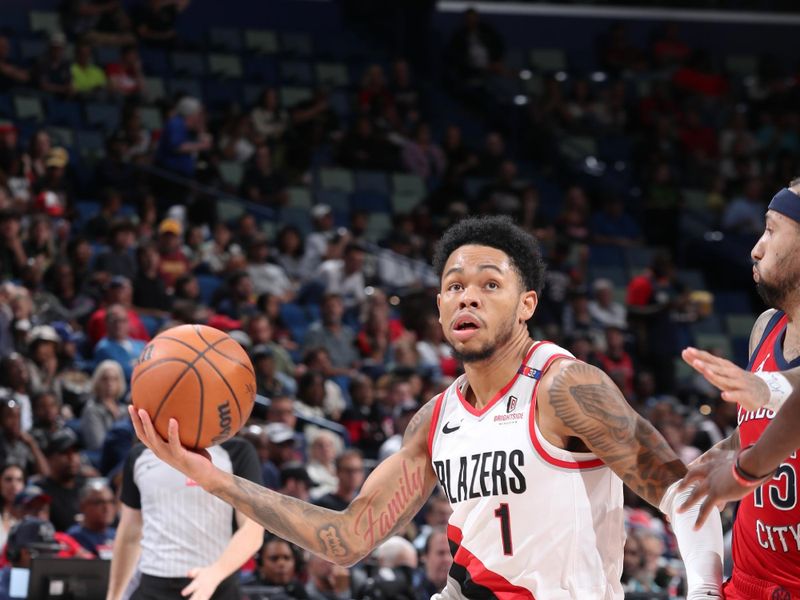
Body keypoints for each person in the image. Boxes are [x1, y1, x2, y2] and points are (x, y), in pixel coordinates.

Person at [129, 215, 723, 599]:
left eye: (490, 283)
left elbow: (685, 495)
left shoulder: (564, 386)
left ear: (526, 305)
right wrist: (210, 478)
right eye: (454, 285)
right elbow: (347, 539)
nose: (468, 294)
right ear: (439, 308)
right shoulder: (436, 419)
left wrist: (704, 591)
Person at [674, 183, 800, 598]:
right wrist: (711, 463)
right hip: (746, 583)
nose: (755, 249)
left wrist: (768, 387)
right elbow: (754, 434)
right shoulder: (767, 328)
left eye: (770, 229)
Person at [106, 435, 264, 600]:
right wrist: (114, 595)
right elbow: (129, 534)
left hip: (217, 585)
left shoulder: (237, 451)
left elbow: (253, 529)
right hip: (153, 584)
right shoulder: (139, 455)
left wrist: (216, 573)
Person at [0, 518, 61, 600]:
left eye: (52, 552)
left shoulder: (54, 583)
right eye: (43, 553)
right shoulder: (3, 586)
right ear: (21, 553)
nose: (50, 558)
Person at [65, 478, 116, 558]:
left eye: (111, 502)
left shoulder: (116, 535)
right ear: (83, 506)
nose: (107, 508)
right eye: (99, 502)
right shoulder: (73, 537)